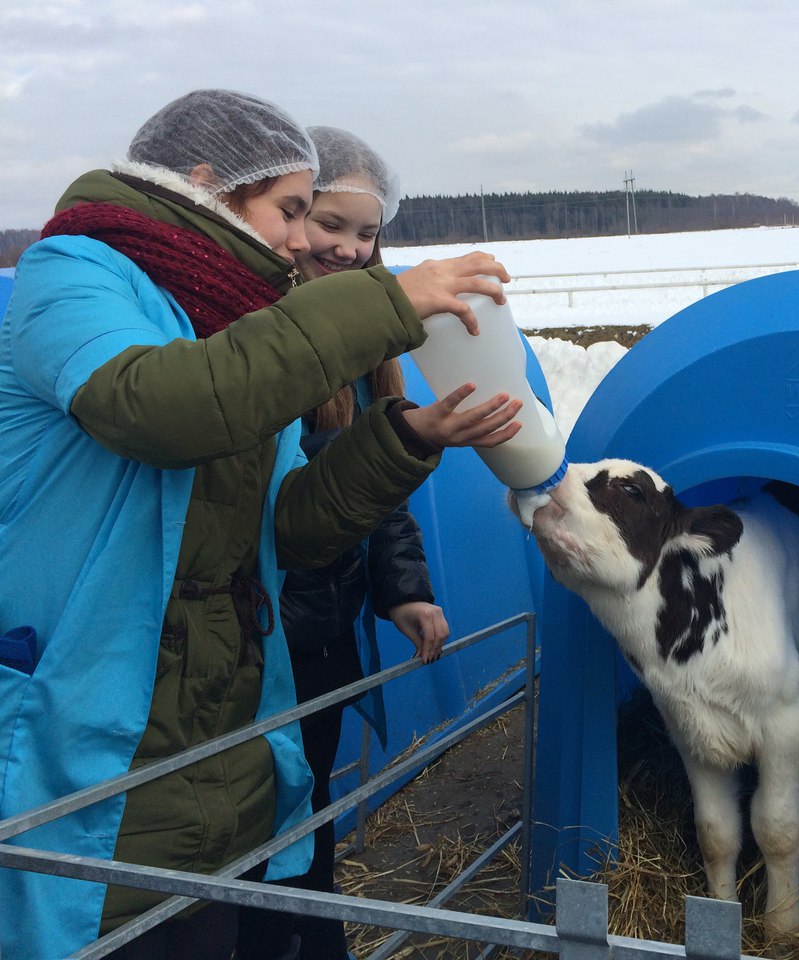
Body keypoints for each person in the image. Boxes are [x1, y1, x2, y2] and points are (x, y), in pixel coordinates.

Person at [0, 89, 522, 960]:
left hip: (219, 735)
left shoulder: (242, 332)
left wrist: (403, 437)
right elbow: (161, 406)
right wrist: (385, 302)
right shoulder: (75, 277)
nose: (297, 238)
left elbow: (289, 526)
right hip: (93, 723)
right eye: (289, 209)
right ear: (207, 183)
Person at [235, 125, 447, 960]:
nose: (349, 249)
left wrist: (403, 588)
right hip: (258, 629)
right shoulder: (258, 336)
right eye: (328, 224)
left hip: (322, 625)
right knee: (257, 814)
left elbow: (372, 478)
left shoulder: (365, 341)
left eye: (367, 234)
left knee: (310, 800)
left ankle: (317, 944)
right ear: (290, 222)